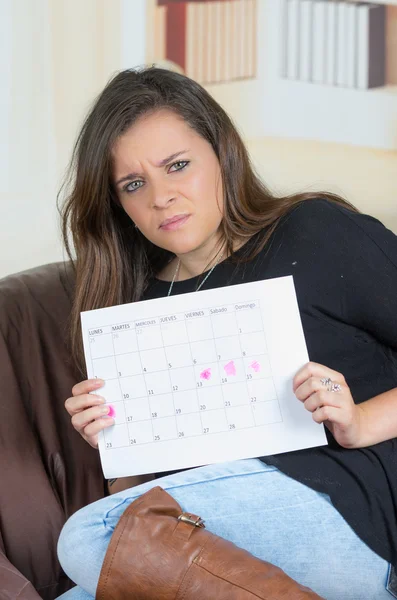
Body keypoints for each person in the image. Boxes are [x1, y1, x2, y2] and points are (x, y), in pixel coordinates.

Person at [56, 67, 397, 599]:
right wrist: (117, 444)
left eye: (178, 166)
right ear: (119, 205)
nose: (162, 197)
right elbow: (152, 508)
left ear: (222, 153)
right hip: (230, 547)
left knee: (89, 536)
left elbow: (131, 529)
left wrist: (360, 423)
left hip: (354, 516)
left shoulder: (315, 231)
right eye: (134, 183)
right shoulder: (137, 311)